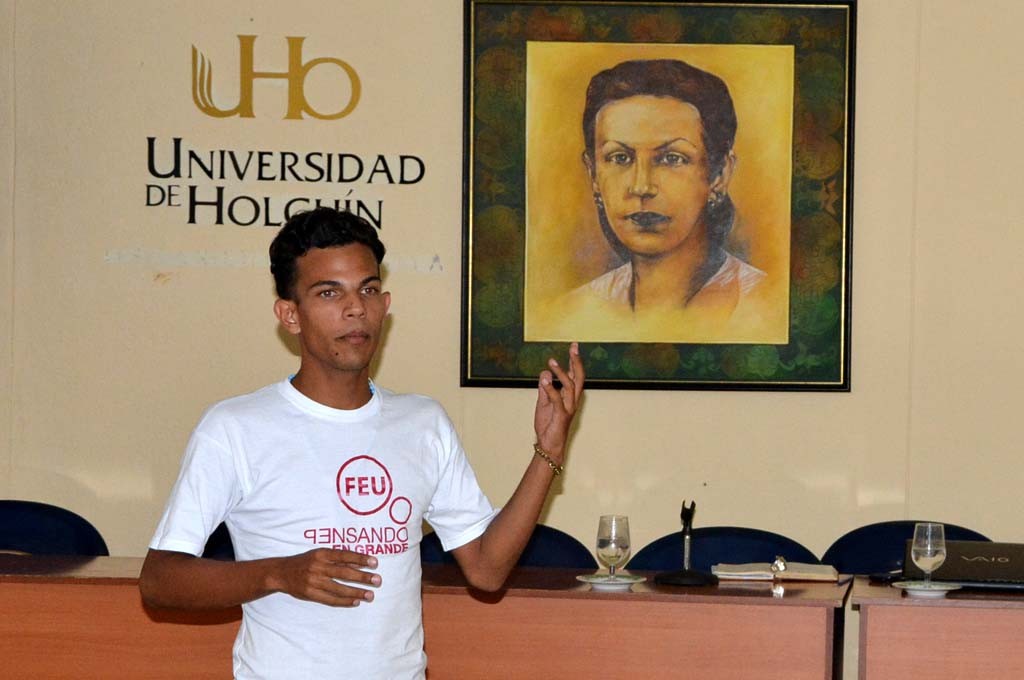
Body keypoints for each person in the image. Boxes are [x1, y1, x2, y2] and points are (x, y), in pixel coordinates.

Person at [139, 207, 585, 679]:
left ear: (385, 303)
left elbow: (487, 571)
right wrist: (277, 574)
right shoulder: (235, 427)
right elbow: (160, 580)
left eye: (367, 289)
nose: (356, 309)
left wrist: (549, 450)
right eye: (329, 292)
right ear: (289, 314)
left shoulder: (422, 422)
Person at [553, 58, 767, 340]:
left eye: (671, 159)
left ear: (719, 175)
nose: (642, 187)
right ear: (593, 174)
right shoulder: (572, 314)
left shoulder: (763, 308)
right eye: (620, 158)